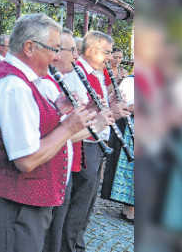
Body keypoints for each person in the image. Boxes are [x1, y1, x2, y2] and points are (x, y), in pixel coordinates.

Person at [0, 14, 97, 252]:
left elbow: (34, 127)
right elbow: (26, 160)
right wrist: (69, 126)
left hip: (23, 201)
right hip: (16, 204)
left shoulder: (21, 78)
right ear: (30, 47)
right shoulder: (14, 86)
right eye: (54, 49)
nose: (57, 57)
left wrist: (58, 110)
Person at [40, 28, 113, 252]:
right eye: (71, 50)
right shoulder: (62, 76)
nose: (76, 55)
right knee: (60, 219)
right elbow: (59, 130)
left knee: (78, 209)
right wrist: (95, 122)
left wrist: (99, 113)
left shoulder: (75, 74)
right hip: (68, 154)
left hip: (78, 150)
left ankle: (73, 246)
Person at [60, 30, 130, 252]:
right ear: (91, 50)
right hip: (84, 144)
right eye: (107, 52)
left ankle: (77, 243)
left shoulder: (97, 73)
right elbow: (78, 113)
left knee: (87, 204)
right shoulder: (76, 72)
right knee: (78, 204)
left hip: (96, 142)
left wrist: (113, 109)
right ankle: (68, 246)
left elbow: (98, 110)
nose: (111, 58)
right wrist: (104, 113)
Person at [100, 72, 134, 223]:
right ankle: (129, 210)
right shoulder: (131, 81)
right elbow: (122, 107)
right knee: (130, 170)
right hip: (132, 127)